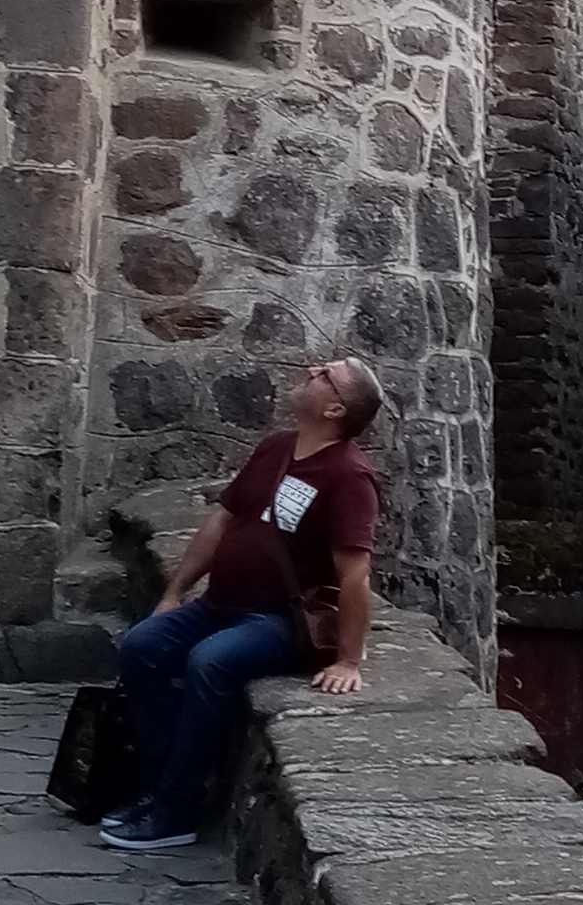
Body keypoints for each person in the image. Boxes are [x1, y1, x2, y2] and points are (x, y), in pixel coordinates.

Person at [99, 354, 382, 851]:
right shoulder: (276, 448)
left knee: (209, 662)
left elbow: (355, 573)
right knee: (142, 646)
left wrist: (348, 660)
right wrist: (174, 592)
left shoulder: (348, 476)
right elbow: (222, 521)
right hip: (218, 605)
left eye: (326, 375)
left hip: (277, 620)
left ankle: (176, 808)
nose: (312, 371)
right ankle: (160, 783)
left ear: (336, 409)